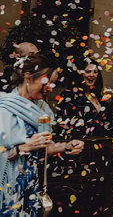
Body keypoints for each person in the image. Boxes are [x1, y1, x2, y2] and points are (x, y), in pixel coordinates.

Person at [0, 54, 84, 216]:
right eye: (48, 82)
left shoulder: (42, 108)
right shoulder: (5, 108)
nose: (51, 87)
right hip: (7, 187)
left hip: (31, 184)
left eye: (53, 83)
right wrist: (24, 147)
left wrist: (65, 146)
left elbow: (42, 148)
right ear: (28, 77)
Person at [55, 61, 113, 138]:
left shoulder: (99, 97)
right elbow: (63, 125)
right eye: (88, 72)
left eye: (95, 72)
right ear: (80, 73)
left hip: (101, 144)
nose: (92, 75)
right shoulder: (68, 95)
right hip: (79, 144)